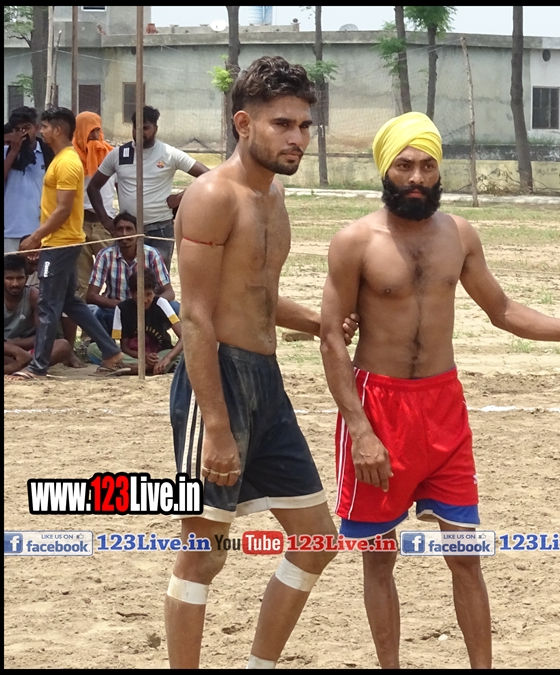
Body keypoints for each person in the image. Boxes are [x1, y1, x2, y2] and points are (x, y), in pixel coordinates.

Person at [319, 112, 560, 669]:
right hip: (378, 407)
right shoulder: (354, 241)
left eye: (428, 165)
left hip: (443, 407)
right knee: (379, 559)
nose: (417, 177)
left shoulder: (459, 235)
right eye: (405, 165)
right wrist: (360, 430)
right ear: (385, 169)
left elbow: (502, 310)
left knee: (465, 554)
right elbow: (332, 338)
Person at [164, 56, 343, 669]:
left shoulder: (273, 195)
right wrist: (216, 426)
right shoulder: (212, 195)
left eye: (304, 125)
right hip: (216, 382)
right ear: (244, 123)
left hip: (267, 381)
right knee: (203, 553)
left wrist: (318, 321)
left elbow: (256, 295)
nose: (297, 138)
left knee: (316, 540)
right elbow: (196, 317)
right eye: (281, 124)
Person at [6, 107, 125, 381]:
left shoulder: (68, 162)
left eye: (45, 126)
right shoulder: (62, 159)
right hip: (61, 242)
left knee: (48, 304)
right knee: (71, 302)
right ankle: (111, 352)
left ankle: (38, 366)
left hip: (60, 245)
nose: (42, 131)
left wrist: (35, 237)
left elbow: (63, 209)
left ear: (58, 130)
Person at [87, 105, 209, 269]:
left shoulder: (169, 153)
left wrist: (181, 197)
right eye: (136, 128)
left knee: (157, 280)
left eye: (145, 128)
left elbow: (208, 176)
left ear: (155, 129)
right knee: (126, 278)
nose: (140, 132)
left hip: (160, 230)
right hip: (128, 231)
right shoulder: (118, 154)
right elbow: (93, 187)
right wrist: (106, 221)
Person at [85, 211, 175, 333]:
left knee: (175, 308)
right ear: (113, 233)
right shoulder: (105, 255)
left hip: (147, 310)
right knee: (91, 310)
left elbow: (170, 293)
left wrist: (148, 304)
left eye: (129, 229)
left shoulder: (152, 254)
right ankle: (106, 344)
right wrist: (124, 306)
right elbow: (91, 295)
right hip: (116, 310)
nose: (124, 234)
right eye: (120, 229)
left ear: (138, 232)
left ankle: (156, 339)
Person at [87, 268, 183, 375]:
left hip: (160, 354)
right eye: (140, 295)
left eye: (149, 294)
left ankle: (133, 368)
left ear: (154, 292)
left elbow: (183, 337)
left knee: (188, 349)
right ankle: (147, 367)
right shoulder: (122, 309)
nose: (145, 300)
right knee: (93, 348)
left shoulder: (161, 303)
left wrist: (167, 358)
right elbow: (124, 347)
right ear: (132, 294)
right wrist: (144, 356)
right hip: (134, 356)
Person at [4, 255, 74, 374]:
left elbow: (43, 335)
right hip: (7, 350)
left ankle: (22, 366)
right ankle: (25, 367)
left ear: (27, 278)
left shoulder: (34, 296)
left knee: (63, 345)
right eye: (9, 278)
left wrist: (15, 345)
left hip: (28, 350)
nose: (15, 284)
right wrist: (13, 349)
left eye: (20, 278)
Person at [73, 111, 117, 298]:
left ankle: (112, 316)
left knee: (113, 277)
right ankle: (85, 317)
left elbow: (121, 186)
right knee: (81, 282)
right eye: (90, 131)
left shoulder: (111, 155)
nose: (95, 135)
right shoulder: (71, 157)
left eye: (97, 130)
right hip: (79, 224)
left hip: (104, 224)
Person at [4, 107, 53, 254]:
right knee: (11, 268)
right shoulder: (6, 152)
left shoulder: (48, 153)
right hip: (10, 228)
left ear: (36, 128)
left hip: (39, 228)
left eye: (27, 128)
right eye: (18, 130)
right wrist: (14, 151)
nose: (23, 133)